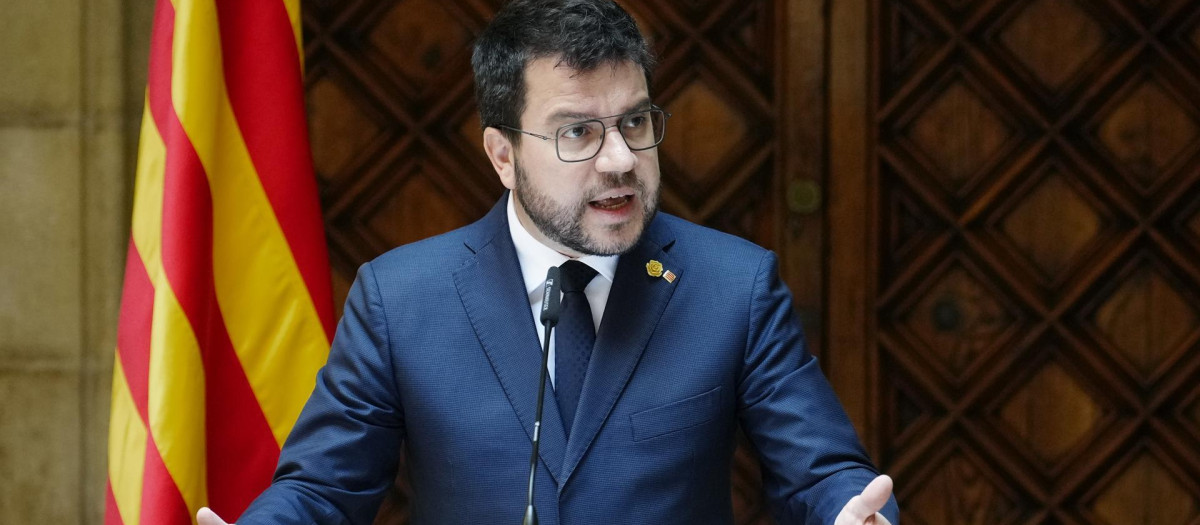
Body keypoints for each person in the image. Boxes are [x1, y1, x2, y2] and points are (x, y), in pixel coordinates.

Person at [199, 0, 899, 523]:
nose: (621, 159)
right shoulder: (402, 299)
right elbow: (322, 490)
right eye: (578, 133)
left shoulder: (733, 287)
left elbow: (823, 473)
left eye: (634, 122)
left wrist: (852, 514)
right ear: (503, 155)